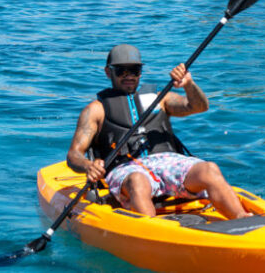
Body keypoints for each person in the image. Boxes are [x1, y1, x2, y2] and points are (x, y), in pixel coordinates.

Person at [66, 44, 250, 219]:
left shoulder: (161, 99)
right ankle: (152, 233)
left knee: (209, 169)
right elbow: (74, 154)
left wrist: (188, 84)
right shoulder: (96, 110)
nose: (129, 75)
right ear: (108, 72)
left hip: (168, 162)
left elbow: (199, 106)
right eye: (122, 70)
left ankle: (243, 219)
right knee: (138, 181)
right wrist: (88, 166)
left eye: (135, 70)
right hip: (126, 170)